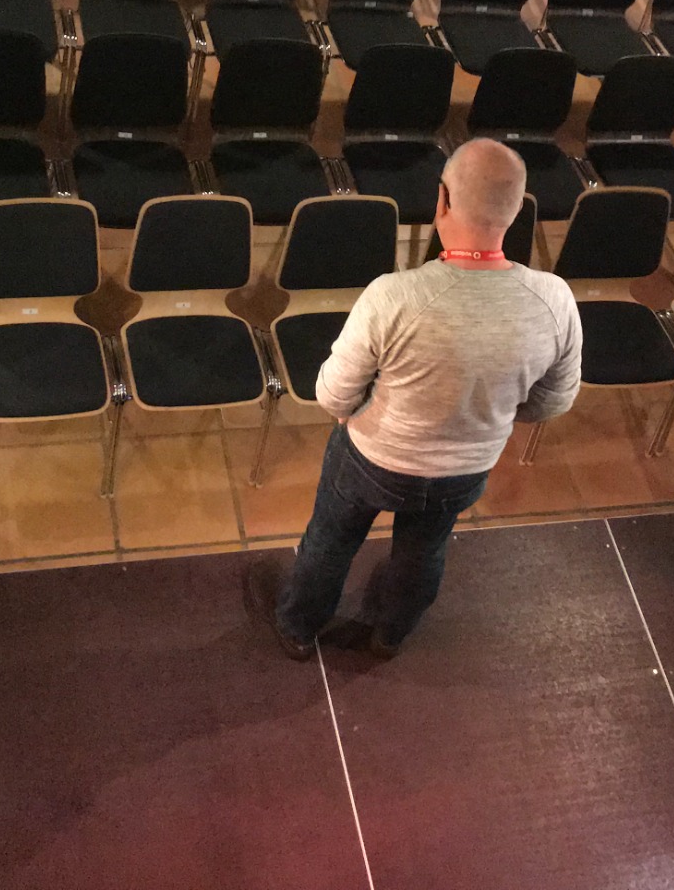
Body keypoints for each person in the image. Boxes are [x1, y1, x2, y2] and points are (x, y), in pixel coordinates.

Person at [246, 139, 582, 661]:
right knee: (424, 551)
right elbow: (552, 402)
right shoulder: (555, 299)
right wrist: (484, 411)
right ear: (517, 209)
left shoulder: (394, 295)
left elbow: (332, 392)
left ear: (442, 200)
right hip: (466, 468)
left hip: (374, 458)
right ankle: (390, 635)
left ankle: (298, 628)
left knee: (332, 541)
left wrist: (353, 411)